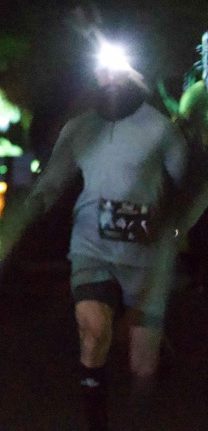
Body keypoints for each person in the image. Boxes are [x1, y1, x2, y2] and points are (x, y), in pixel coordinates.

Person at [20, 44, 189, 431]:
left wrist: (178, 225)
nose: (109, 79)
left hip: (146, 255)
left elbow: (189, 185)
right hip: (91, 244)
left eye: (117, 71)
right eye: (102, 72)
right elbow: (53, 178)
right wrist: (33, 204)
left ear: (133, 76)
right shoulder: (79, 128)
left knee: (141, 364)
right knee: (93, 332)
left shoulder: (159, 128)